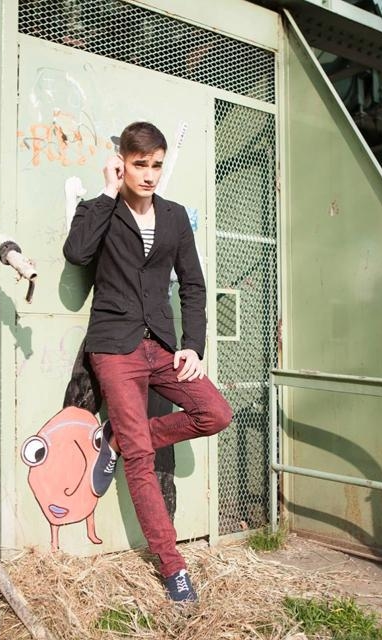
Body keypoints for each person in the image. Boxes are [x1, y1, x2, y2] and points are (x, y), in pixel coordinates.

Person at [63, 121, 232, 603]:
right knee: (140, 460)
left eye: (157, 164)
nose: (150, 174)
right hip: (114, 348)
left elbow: (193, 285)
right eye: (140, 165)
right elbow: (76, 253)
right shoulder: (99, 209)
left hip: (161, 345)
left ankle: (119, 438)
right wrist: (106, 191)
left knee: (215, 413)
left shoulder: (174, 217)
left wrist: (192, 345)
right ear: (122, 163)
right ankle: (174, 569)